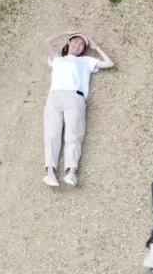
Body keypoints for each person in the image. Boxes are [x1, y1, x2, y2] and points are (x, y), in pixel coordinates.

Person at [42, 31, 114, 188]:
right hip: (55, 96)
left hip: (75, 97)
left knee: (73, 135)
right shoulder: (57, 59)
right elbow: (46, 41)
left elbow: (109, 64)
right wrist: (65, 33)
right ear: (68, 43)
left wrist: (96, 47)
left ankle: (71, 171)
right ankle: (50, 172)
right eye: (75, 42)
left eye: (82, 44)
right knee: (52, 135)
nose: (78, 45)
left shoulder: (86, 61)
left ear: (83, 50)